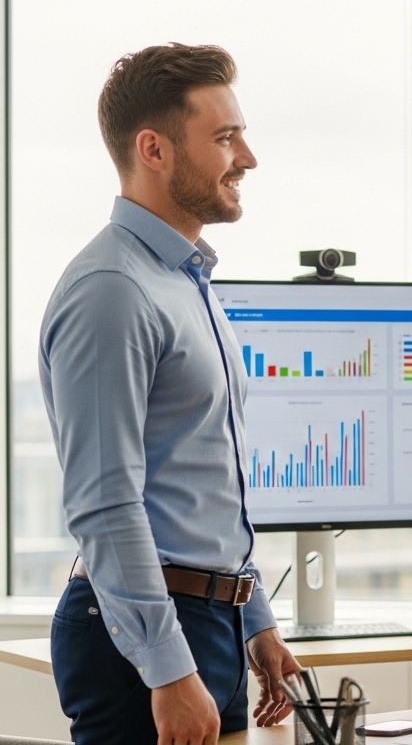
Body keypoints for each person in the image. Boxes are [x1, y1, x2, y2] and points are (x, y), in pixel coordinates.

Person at [41, 44, 300, 745]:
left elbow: (198, 479)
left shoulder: (185, 281)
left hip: (207, 622)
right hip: (146, 636)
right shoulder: (113, 291)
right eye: (224, 137)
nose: (247, 157)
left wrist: (254, 618)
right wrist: (165, 670)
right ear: (153, 149)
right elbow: (105, 500)